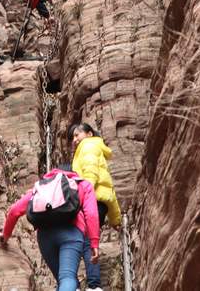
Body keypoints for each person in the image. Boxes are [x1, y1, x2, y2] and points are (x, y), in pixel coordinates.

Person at [0, 164, 101, 291]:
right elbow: (91, 215)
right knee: (67, 278)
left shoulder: (41, 188)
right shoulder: (83, 185)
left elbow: (15, 210)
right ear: (73, 173)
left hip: (45, 237)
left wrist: (5, 235)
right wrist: (94, 243)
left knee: (62, 281)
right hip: (71, 233)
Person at [70, 123, 122, 291]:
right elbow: (110, 193)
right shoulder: (94, 147)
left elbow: (90, 173)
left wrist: (82, 199)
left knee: (84, 242)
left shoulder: (88, 146)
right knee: (88, 241)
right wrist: (115, 219)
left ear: (89, 134)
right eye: (72, 137)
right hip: (99, 203)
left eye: (77, 135)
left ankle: (92, 285)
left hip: (90, 200)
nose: (74, 139)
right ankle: (91, 285)